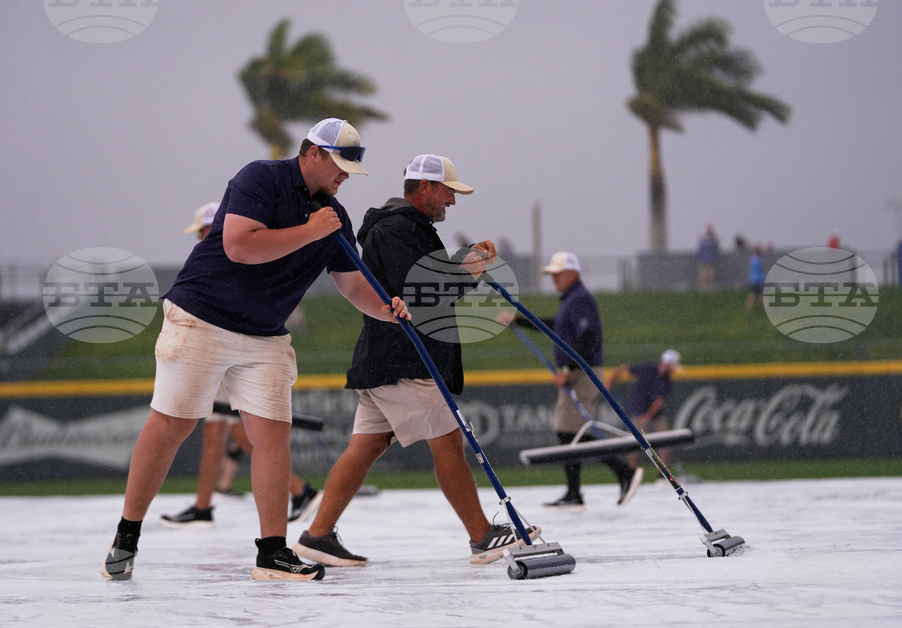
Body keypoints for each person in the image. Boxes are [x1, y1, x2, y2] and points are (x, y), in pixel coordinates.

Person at [101, 118, 409, 582]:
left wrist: (386, 307)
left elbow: (351, 284)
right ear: (313, 153)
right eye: (340, 165)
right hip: (201, 318)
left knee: (273, 434)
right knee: (172, 425)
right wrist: (311, 230)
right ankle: (127, 533)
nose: (345, 175)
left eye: (351, 168)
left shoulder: (334, 217)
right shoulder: (260, 178)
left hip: (265, 335)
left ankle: (272, 553)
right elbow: (240, 247)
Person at [294, 153, 540, 568]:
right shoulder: (396, 229)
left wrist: (466, 262)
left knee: (365, 447)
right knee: (447, 440)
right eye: (448, 192)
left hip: (386, 358)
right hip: (406, 359)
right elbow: (422, 296)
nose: (453, 202)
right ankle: (482, 536)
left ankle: (317, 536)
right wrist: (470, 269)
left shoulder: (409, 229)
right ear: (425, 188)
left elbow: (427, 282)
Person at [159, 203, 320, 530]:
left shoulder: (225, 257)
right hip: (231, 345)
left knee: (226, 428)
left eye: (201, 232)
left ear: (209, 229)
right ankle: (208, 504)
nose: (200, 239)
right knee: (226, 429)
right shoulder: (235, 252)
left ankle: (296, 491)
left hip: (224, 345)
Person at [498, 251, 640, 511]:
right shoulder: (571, 300)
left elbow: (588, 339)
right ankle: (578, 491)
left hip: (584, 372)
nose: (554, 279)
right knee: (568, 432)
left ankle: (621, 473)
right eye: (552, 275)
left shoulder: (581, 299)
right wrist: (519, 321)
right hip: (577, 372)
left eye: (558, 274)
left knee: (573, 433)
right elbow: (556, 326)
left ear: (573, 273)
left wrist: (569, 369)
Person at [605, 350, 682, 469]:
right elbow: (623, 369)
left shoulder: (667, 380)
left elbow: (658, 403)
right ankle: (631, 473)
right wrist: (611, 380)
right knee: (634, 444)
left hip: (654, 415)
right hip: (638, 411)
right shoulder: (648, 368)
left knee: (666, 440)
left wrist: (647, 416)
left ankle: (663, 475)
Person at [696, 224, 719, 290]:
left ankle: (709, 286)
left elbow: (715, 249)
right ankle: (703, 286)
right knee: (703, 274)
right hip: (703, 260)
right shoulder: (703, 239)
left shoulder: (713, 239)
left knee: (710, 274)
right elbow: (700, 250)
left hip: (710, 260)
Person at [745, 244, 766, 312]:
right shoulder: (758, 259)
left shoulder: (752, 259)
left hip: (753, 279)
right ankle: (749, 308)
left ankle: (749, 308)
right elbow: (762, 267)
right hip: (758, 279)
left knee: (755, 294)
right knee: (756, 295)